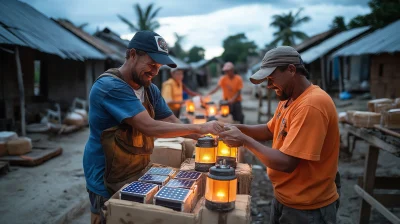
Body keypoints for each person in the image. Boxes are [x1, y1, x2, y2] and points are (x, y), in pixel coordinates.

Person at [83, 31, 224, 224]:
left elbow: (171, 121)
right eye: (151, 64)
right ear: (132, 54)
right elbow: (149, 127)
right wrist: (200, 128)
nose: (155, 72)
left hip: (136, 168)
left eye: (159, 67)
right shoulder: (111, 87)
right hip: (106, 175)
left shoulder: (149, 89)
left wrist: (206, 139)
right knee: (107, 217)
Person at [219, 46, 340, 224]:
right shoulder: (289, 99)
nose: (268, 86)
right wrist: (235, 128)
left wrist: (244, 140)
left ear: (291, 70)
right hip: (287, 197)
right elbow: (270, 130)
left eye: (271, 78)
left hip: (308, 207)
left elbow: (286, 163)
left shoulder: (311, 105)